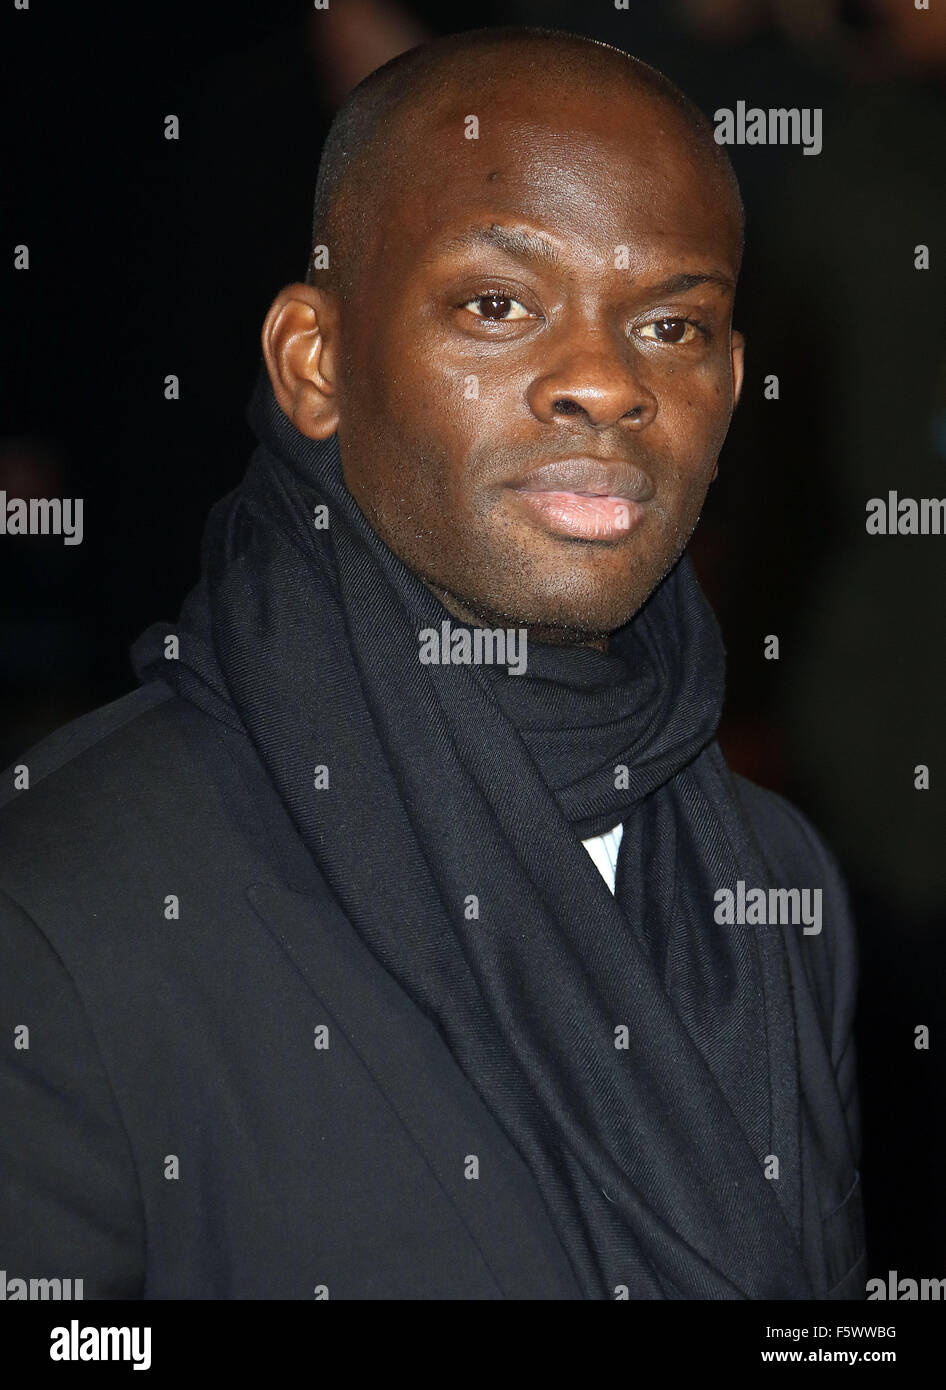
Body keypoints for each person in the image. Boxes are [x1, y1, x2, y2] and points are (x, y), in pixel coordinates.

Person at [0, 26, 865, 1300]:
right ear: (314, 362)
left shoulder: (779, 888)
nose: (603, 384)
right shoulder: (64, 909)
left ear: (731, 385)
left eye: (671, 324)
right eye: (498, 305)